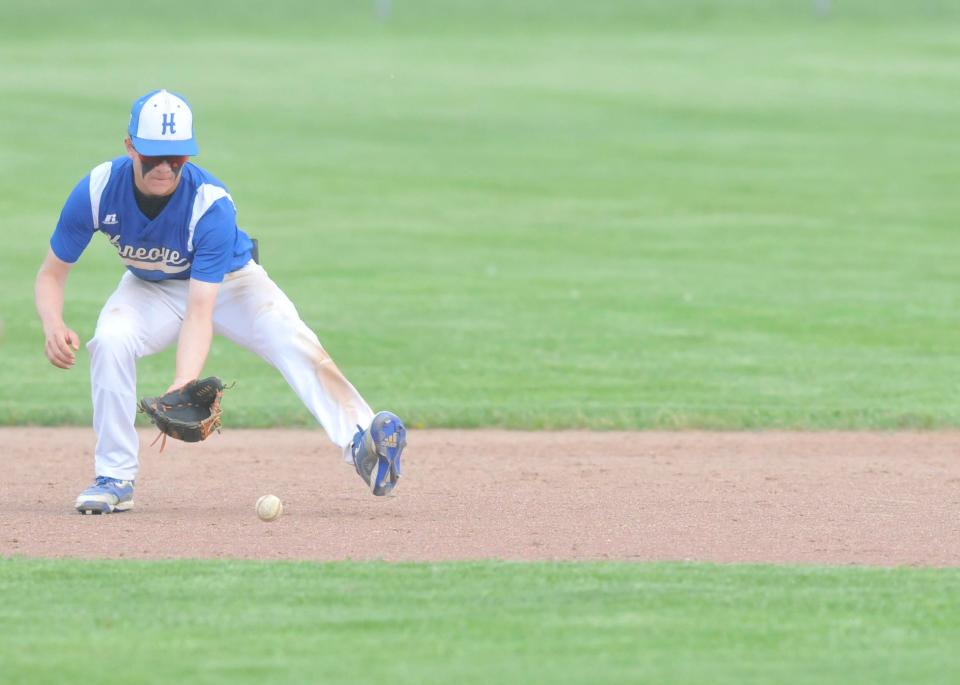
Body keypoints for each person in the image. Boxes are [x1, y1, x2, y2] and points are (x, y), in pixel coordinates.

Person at [35, 89, 406, 514]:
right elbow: (51, 273)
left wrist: (183, 381)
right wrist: (53, 323)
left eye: (174, 159)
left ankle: (365, 444)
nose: (163, 167)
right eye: (152, 155)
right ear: (130, 147)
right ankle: (114, 477)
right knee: (110, 340)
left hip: (233, 284)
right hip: (150, 288)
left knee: (290, 337)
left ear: (188, 158)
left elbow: (199, 309)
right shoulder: (98, 190)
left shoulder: (210, 204)